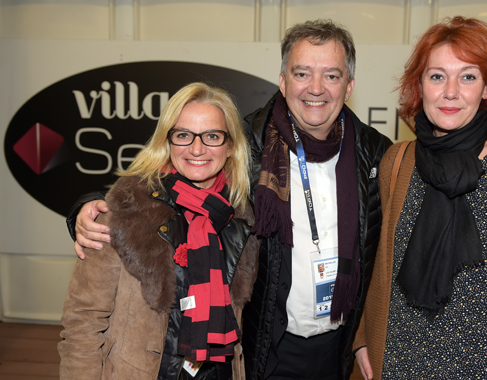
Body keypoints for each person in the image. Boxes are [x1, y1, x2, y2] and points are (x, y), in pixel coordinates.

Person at [70, 19, 393, 380]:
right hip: (263, 350)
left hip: (337, 348)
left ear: (348, 86)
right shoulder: (247, 146)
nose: (315, 88)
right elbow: (168, 178)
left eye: (331, 76)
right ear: (283, 81)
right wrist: (88, 206)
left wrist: (364, 336)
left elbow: (389, 252)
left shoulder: (378, 155)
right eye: (302, 73)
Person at [353, 16, 487, 380]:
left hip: (485, 368)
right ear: (420, 85)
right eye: (437, 76)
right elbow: (374, 267)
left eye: (468, 76)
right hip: (400, 361)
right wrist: (361, 339)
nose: (450, 91)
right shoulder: (397, 162)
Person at [58, 82, 259, 380]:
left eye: (212, 136)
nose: (197, 148)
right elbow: (82, 323)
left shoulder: (242, 218)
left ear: (230, 147)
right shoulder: (122, 212)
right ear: (167, 141)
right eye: (183, 135)